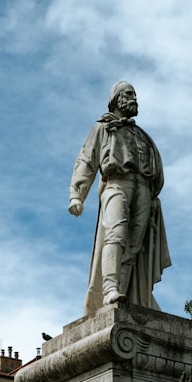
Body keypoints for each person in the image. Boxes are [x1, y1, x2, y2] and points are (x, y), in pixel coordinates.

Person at [69, 81, 171, 314]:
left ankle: (123, 291)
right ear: (117, 99)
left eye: (135, 94)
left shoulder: (141, 135)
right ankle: (109, 289)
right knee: (115, 234)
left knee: (134, 245)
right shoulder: (103, 128)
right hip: (116, 184)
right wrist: (77, 194)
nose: (135, 98)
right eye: (129, 94)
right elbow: (87, 159)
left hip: (143, 187)